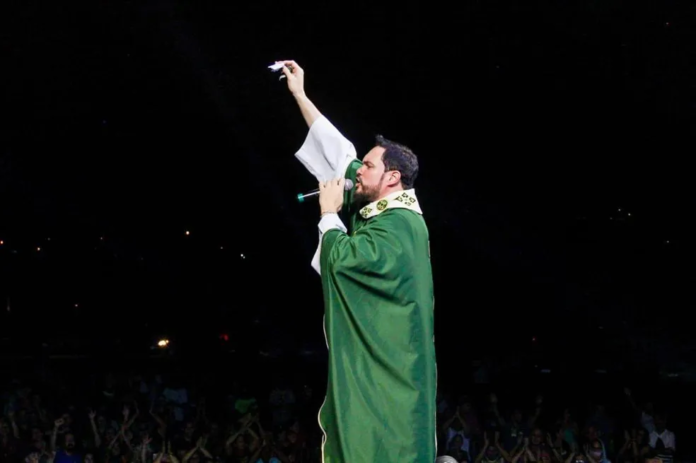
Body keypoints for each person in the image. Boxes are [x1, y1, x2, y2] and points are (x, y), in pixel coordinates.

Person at [279, 60, 436, 462]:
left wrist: (329, 215)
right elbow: (338, 154)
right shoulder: (382, 209)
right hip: (376, 367)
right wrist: (300, 94)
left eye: (369, 166)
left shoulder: (402, 228)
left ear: (392, 178)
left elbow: (346, 264)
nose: (358, 172)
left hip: (389, 375)